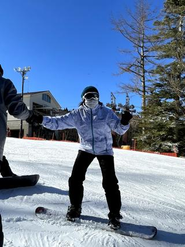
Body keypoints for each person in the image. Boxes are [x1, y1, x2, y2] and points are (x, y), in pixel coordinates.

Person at [27, 86, 132, 229]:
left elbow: (119, 129)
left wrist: (124, 122)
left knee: (110, 183)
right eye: (88, 96)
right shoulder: (77, 114)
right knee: (75, 179)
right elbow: (58, 122)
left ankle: (114, 214)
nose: (91, 99)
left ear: (99, 98)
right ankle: (75, 208)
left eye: (94, 96)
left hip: (105, 150)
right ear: (83, 98)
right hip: (86, 148)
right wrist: (40, 119)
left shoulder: (106, 113)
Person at [0, 64, 31, 246]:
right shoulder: (4, 84)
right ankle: (7, 173)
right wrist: (31, 116)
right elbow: (17, 110)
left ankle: (7, 172)